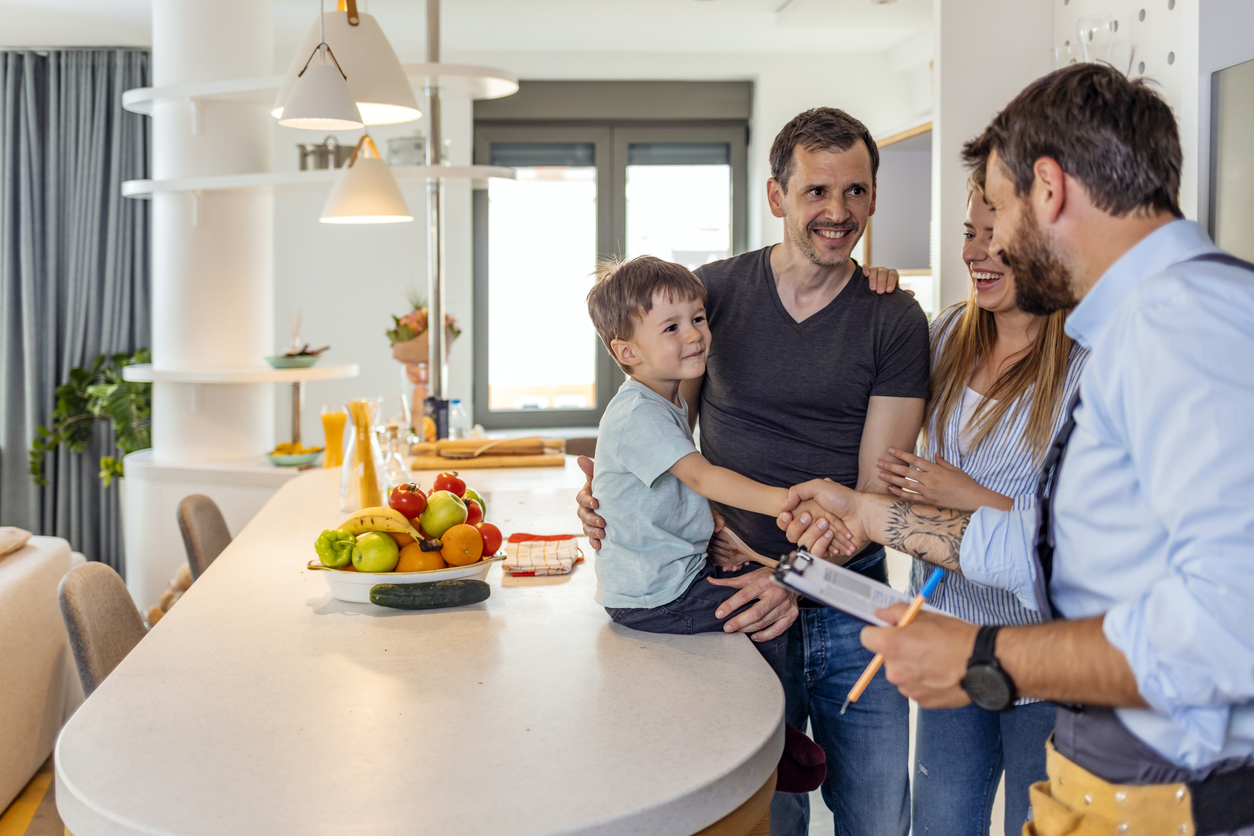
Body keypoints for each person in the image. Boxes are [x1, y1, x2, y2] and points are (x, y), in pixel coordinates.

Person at [779, 63, 1254, 836]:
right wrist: (870, 514)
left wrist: (986, 657)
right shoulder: (1144, 325)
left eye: (996, 210)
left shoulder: (1184, 328)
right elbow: (1049, 551)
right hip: (1116, 792)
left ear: (1049, 188)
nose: (989, 241)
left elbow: (1230, 628)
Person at [579, 107, 930, 836]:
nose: (839, 213)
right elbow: (667, 434)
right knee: (759, 816)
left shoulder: (893, 318)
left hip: (844, 596)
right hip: (725, 598)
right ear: (777, 196)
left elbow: (873, 495)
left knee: (878, 819)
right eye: (817, 192)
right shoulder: (713, 296)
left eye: (857, 192)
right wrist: (608, 494)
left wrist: (792, 575)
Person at [875, 169, 1086, 836]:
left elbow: (1078, 539)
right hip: (947, 637)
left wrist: (966, 496)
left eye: (993, 237)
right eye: (970, 233)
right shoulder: (940, 337)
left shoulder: (1087, 365)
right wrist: (869, 297)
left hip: (1046, 664)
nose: (972, 252)